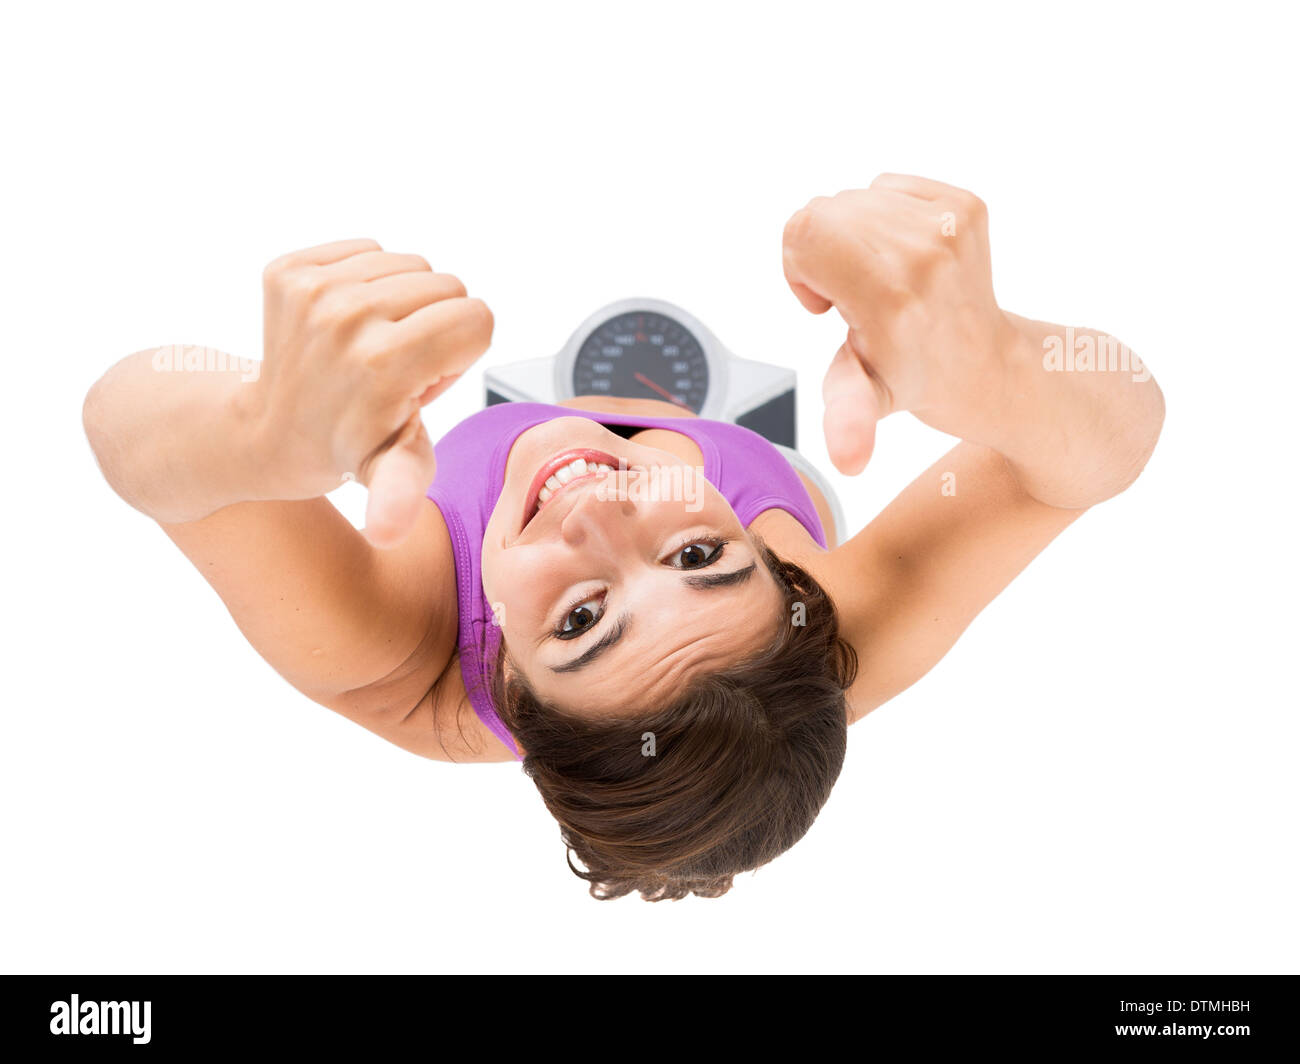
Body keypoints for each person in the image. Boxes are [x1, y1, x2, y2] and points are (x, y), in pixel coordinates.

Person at [81, 174, 1166, 901]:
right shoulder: (823, 639)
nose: (599, 510)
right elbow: (1105, 447)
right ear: (789, 584)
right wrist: (998, 368)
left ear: (503, 669)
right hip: (748, 447)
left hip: (487, 472)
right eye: (703, 557)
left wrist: (258, 433)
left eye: (582, 615)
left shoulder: (391, 645)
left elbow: (126, 432)